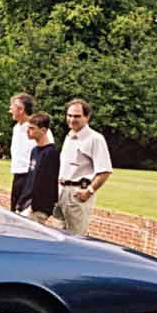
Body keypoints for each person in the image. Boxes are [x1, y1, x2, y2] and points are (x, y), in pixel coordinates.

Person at [57, 98, 113, 236]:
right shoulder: (69, 136)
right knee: (61, 236)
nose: (71, 119)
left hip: (78, 194)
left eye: (77, 116)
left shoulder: (95, 139)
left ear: (87, 117)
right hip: (62, 192)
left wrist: (89, 191)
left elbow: (105, 171)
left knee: (75, 238)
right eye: (69, 115)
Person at [9, 93, 54, 211]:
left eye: (12, 107)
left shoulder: (39, 129)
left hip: (31, 178)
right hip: (18, 176)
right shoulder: (16, 128)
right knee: (14, 212)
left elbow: (47, 154)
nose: (10, 110)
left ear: (21, 109)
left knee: (25, 214)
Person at [14, 113, 60, 224]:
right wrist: (20, 204)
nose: (28, 131)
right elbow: (30, 180)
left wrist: (33, 207)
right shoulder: (35, 150)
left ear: (43, 130)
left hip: (37, 208)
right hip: (25, 205)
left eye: (32, 128)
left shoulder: (50, 153)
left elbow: (46, 184)